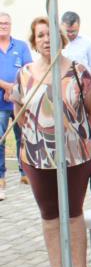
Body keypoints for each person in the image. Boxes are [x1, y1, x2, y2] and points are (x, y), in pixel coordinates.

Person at [12, 16, 91, 267]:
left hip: (76, 157)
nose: (46, 40)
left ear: (61, 38)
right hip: (36, 156)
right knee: (49, 214)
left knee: (74, 212)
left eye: (51, 34)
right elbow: (18, 110)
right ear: (34, 41)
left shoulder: (78, 71)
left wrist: (77, 139)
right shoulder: (25, 74)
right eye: (40, 35)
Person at [0, 11, 33, 195]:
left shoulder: (21, 46)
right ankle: (1, 177)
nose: (3, 25)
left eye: (6, 23)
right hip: (1, 103)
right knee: (0, 139)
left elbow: (28, 69)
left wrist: (14, 89)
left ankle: (25, 172)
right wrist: (6, 87)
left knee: (23, 137)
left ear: (10, 25)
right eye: (0, 23)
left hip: (20, 100)